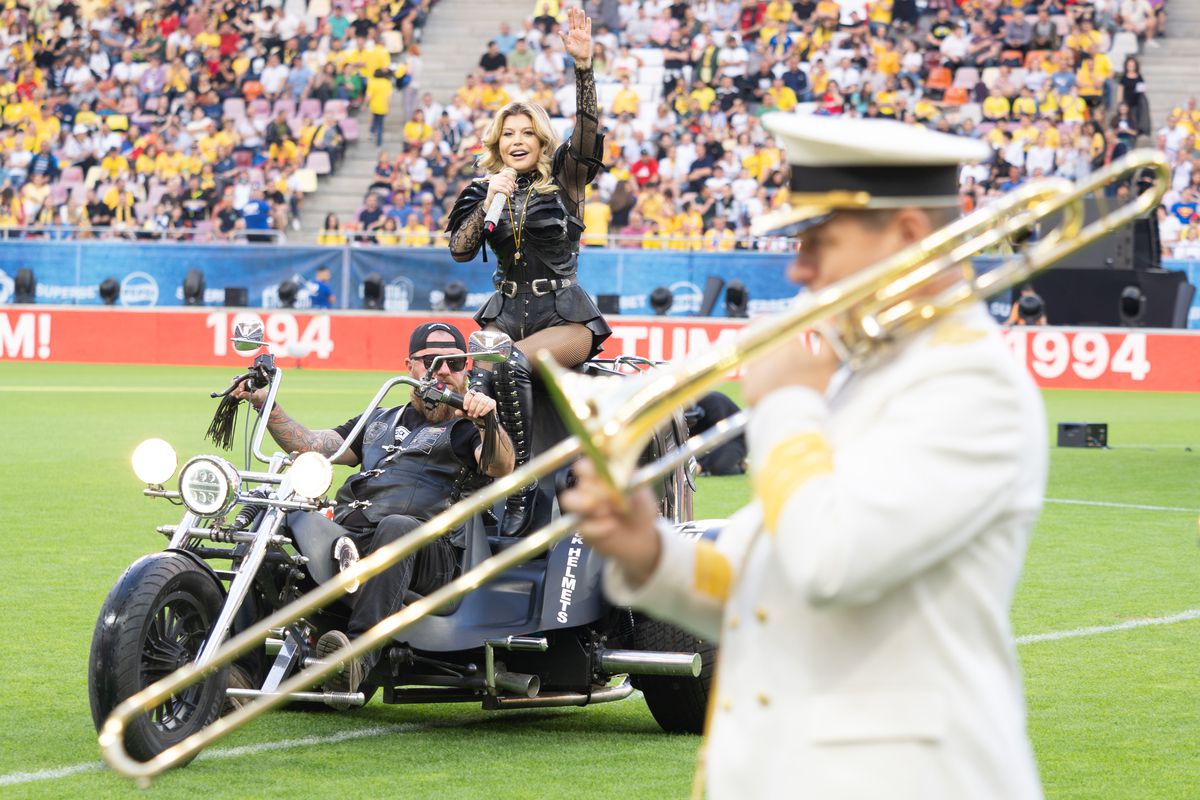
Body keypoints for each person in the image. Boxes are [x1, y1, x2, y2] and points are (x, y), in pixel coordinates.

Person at [561, 114, 1048, 799]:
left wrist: (787, 405)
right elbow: (771, 579)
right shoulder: (866, 372)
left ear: (908, 236)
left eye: (820, 241)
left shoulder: (974, 387)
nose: (799, 268)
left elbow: (829, 561)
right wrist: (647, 551)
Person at [233, 322, 514, 696]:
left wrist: (488, 422)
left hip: (434, 553)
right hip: (355, 538)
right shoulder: (381, 419)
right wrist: (263, 401)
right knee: (271, 524)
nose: (443, 371)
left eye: (454, 363)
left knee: (398, 525)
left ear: (467, 370)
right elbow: (314, 444)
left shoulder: (469, 429)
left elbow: (500, 466)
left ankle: (357, 658)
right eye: (431, 361)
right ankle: (238, 670)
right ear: (409, 367)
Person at [446, 8, 611, 536]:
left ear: (541, 141)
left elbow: (587, 136)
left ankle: (522, 489)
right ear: (497, 142)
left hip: (562, 315)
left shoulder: (566, 180)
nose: (517, 140)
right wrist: (488, 200)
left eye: (527, 133)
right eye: (508, 133)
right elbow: (459, 250)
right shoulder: (483, 190)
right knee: (477, 373)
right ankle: (472, 482)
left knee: (509, 362)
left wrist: (583, 70)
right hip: (505, 309)